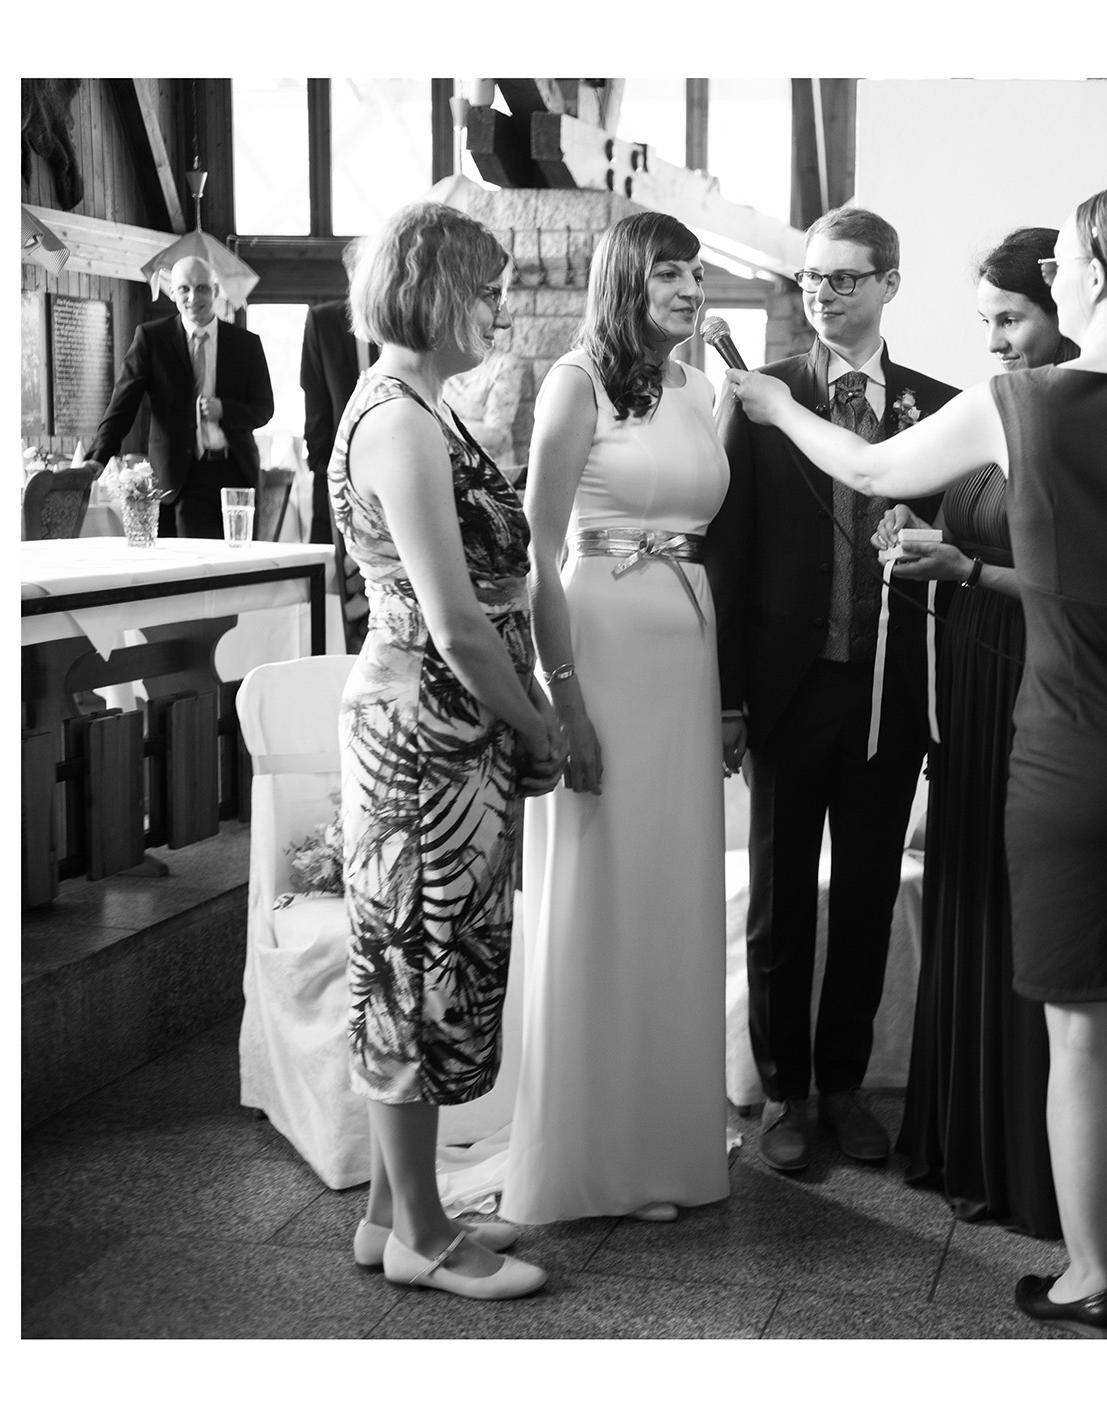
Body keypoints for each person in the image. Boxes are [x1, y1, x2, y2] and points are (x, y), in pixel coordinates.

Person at [726, 181, 1107, 1336]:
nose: (1054, 275)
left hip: (1070, 760)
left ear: (1098, 275)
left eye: (1062, 259)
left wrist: (772, 406)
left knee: (1085, 1033)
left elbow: (867, 471)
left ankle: (1090, 1277)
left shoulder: (1014, 402)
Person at [883, 227, 1107, 1240]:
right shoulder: (997, 404)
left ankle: (1042, 1166)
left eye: (1011, 318)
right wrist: (927, 543)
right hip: (974, 678)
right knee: (975, 894)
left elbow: (1096, 587)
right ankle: (965, 1133)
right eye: (984, 319)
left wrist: (967, 569)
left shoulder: (1085, 414)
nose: (993, 339)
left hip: (1046, 686)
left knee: (1038, 918)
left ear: (1060, 305)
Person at [329, 201, 563, 1301]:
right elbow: (457, 622)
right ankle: (424, 1236)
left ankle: (391, 1211)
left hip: (445, 721)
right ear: (432, 293)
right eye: (486, 292)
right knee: (414, 968)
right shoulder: (401, 421)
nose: (500, 313)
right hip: (426, 726)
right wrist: (538, 721)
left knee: (421, 960)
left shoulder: (421, 405)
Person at [702, 207, 959, 1174]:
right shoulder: (761, 398)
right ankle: (784, 1091)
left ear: (890, 283)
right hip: (788, 686)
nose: (822, 294)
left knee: (865, 895)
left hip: (891, 691)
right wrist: (729, 698)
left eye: (844, 278)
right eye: (811, 277)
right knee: (779, 900)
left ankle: (845, 1085)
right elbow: (727, 552)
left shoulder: (938, 408)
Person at [493, 212, 732, 1224]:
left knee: (672, 888)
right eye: (667, 272)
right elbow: (534, 556)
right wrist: (564, 696)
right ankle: (592, 1153)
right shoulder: (573, 383)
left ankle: (663, 1140)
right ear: (625, 280)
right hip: (599, 649)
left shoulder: (696, 388)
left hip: (686, 657)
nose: (688, 289)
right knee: (604, 886)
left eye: (695, 272)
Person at [88, 254, 274, 538]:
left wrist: (225, 410)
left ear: (215, 290)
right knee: (197, 561)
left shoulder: (246, 345)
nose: (193, 297)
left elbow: (264, 409)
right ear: (172, 292)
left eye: (202, 288)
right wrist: (98, 458)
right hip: (181, 478)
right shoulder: (152, 339)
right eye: (184, 289)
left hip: (236, 473)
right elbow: (122, 406)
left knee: (238, 560)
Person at [301, 238, 376, 650]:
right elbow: (315, 402)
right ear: (350, 276)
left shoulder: (396, 322)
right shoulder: (322, 321)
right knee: (338, 583)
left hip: (385, 469)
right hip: (336, 472)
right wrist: (322, 468)